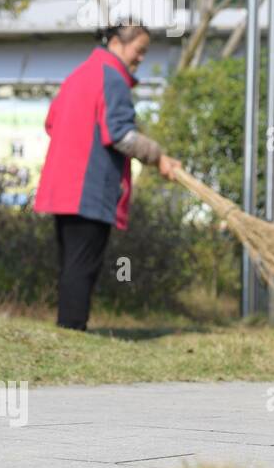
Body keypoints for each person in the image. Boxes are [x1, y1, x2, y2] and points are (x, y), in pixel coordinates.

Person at [33, 18, 181, 330]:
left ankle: (67, 328)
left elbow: (51, 124)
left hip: (61, 185)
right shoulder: (112, 78)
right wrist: (159, 156)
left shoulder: (77, 75)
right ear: (117, 43)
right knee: (82, 265)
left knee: (71, 263)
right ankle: (72, 331)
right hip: (89, 188)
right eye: (139, 50)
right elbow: (121, 135)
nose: (141, 58)